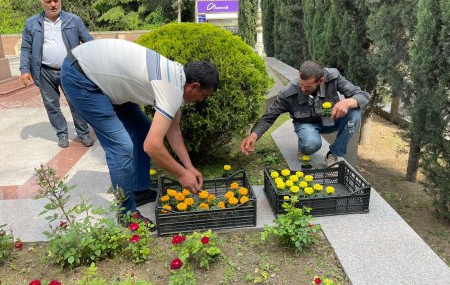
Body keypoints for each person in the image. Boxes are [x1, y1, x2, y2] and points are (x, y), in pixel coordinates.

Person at [60, 38, 219, 225]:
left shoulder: (177, 78)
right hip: (81, 76)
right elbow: (152, 146)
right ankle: (126, 214)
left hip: (103, 77)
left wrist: (189, 167)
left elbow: (173, 130)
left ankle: (139, 190)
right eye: (204, 95)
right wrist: (182, 174)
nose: (201, 100)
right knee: (121, 147)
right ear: (194, 86)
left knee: (143, 129)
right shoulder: (171, 89)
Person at [241, 60, 370, 166]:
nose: (302, 89)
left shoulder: (333, 77)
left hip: (329, 119)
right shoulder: (288, 93)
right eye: (301, 84)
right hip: (306, 124)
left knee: (355, 113)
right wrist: (253, 136)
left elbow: (363, 95)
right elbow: (269, 116)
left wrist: (347, 102)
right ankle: (304, 143)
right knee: (310, 145)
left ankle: (334, 153)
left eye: (307, 87)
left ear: (321, 81)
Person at [19, 0, 94, 148]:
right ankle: (62, 134)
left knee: (76, 103)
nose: (53, 4)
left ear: (60, 1)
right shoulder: (32, 23)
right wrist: (24, 70)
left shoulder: (73, 20)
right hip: (44, 71)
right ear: (42, 4)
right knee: (52, 105)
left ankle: (84, 133)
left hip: (70, 70)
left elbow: (89, 43)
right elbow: (26, 48)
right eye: (49, 2)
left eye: (56, 1)